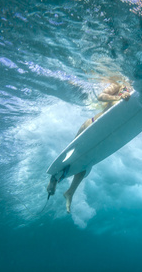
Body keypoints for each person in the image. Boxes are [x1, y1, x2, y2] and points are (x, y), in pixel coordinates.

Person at [46, 80, 132, 213]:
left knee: (86, 162)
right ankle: (54, 179)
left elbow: (131, 119)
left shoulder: (140, 95)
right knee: (75, 154)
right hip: (91, 125)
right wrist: (118, 97)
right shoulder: (120, 84)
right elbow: (101, 96)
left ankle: (70, 192)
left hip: (105, 133)